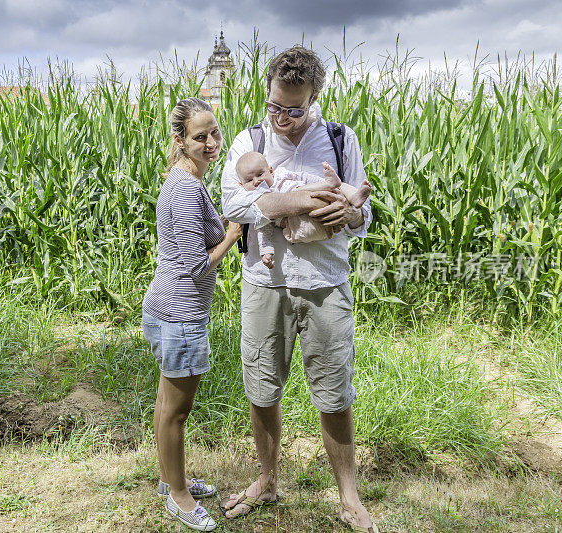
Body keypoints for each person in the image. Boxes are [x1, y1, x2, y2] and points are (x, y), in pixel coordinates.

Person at [220, 46, 379, 533]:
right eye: (275, 106)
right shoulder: (249, 141)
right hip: (264, 283)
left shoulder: (338, 138)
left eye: (295, 108)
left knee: (334, 393)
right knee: (262, 386)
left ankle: (348, 497)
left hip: (325, 286)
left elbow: (364, 215)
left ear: (314, 98)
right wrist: (294, 199)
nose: (283, 118)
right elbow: (233, 205)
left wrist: (350, 214)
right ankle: (267, 480)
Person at [142, 97, 243, 531]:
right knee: (176, 411)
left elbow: (197, 233)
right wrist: (233, 234)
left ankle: (171, 480)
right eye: (200, 137)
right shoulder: (184, 187)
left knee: (167, 402)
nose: (212, 143)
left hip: (171, 305)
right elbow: (195, 264)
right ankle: (178, 497)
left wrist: (225, 221)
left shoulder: (188, 181)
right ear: (180, 141)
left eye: (215, 133)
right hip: (180, 312)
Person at [235, 151, 372, 268]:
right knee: (297, 221)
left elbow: (302, 177)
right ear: (241, 185)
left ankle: (355, 198)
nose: (256, 181)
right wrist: (266, 252)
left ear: (271, 170)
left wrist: (323, 182)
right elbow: (264, 230)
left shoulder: (282, 175)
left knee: (339, 187)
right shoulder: (257, 201)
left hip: (311, 191)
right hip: (297, 222)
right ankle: (328, 220)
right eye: (249, 180)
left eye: (260, 174)